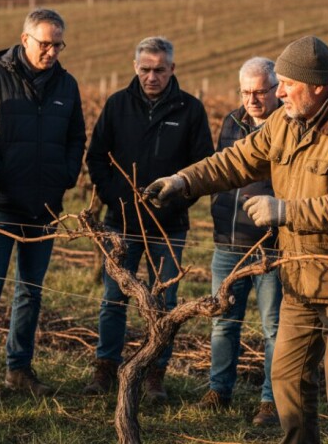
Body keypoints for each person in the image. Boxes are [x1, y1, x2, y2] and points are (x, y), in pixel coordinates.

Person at [146, 36, 328, 444]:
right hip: (299, 278)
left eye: (287, 84)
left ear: (317, 86)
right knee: (288, 382)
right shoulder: (286, 122)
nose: (278, 93)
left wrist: (284, 211)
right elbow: (237, 159)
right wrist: (183, 180)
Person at [0, 8, 86, 408]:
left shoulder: (67, 85)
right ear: (25, 39)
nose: (51, 51)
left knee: (30, 292)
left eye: (57, 44)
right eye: (45, 43)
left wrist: (65, 176)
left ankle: (19, 368)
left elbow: (75, 138)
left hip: (45, 205)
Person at [83, 36, 214, 403]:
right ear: (135, 68)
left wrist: (174, 202)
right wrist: (118, 198)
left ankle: (155, 374)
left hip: (168, 226)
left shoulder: (191, 110)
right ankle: (105, 368)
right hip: (120, 222)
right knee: (113, 298)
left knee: (165, 302)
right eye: (145, 69)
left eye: (159, 70)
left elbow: (204, 167)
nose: (151, 76)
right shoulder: (117, 105)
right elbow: (97, 158)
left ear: (172, 69)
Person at [195, 57, 283, 427]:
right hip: (229, 241)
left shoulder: (289, 125)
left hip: (272, 246)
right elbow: (222, 169)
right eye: (246, 92)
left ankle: (272, 401)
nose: (252, 99)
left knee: (273, 328)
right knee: (223, 321)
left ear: (277, 89)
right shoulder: (232, 123)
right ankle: (219, 389)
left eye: (260, 91)